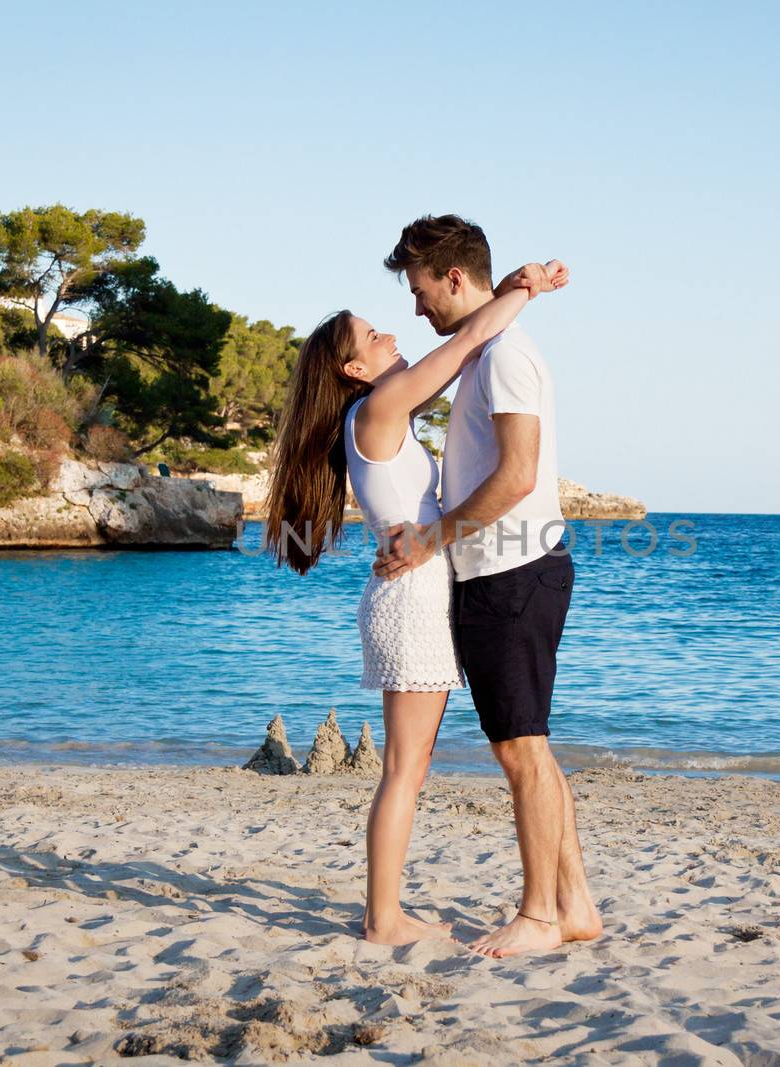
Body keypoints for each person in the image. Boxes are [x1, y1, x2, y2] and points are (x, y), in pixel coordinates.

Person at [263, 257, 566, 945]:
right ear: (354, 370)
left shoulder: (380, 412)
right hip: (412, 598)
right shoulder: (379, 409)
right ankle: (384, 917)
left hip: (416, 591)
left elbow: (461, 357)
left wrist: (513, 294)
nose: (389, 336)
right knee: (404, 767)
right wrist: (525, 288)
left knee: (411, 764)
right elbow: (462, 348)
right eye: (372, 337)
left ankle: (387, 911)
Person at [374, 214, 601, 959]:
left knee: (521, 752)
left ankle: (539, 913)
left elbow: (518, 473)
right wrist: (524, 285)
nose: (415, 307)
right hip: (500, 573)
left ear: (453, 278)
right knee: (528, 746)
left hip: (512, 574)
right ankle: (573, 904)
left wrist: (430, 540)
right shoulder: (485, 351)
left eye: (419, 289)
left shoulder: (503, 356)